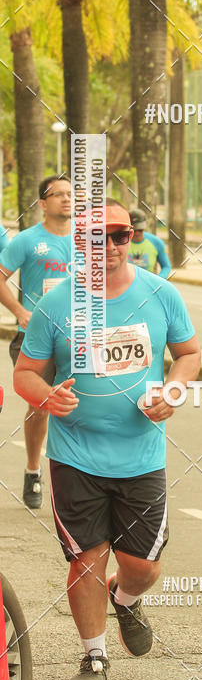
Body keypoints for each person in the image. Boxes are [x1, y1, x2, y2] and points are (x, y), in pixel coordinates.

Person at [14, 199, 201, 680]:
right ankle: (94, 656)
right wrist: (47, 396)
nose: (112, 246)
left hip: (141, 455)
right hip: (75, 454)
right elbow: (26, 373)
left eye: (121, 235)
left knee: (143, 565)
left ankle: (126, 596)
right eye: (98, 237)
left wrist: (174, 391)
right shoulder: (56, 305)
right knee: (86, 557)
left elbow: (188, 353)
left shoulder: (161, 294)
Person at [0, 174, 72, 508]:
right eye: (58, 194)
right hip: (36, 339)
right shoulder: (26, 241)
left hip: (78, 339)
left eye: (71, 194)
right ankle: (33, 470)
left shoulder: (88, 242)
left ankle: (76, 477)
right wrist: (19, 310)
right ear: (43, 203)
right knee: (41, 405)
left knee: (80, 408)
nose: (67, 199)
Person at [128, 208, 172, 278]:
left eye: (140, 229)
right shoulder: (120, 242)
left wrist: (158, 280)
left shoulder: (156, 242)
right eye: (134, 230)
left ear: (146, 224)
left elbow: (166, 266)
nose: (137, 233)